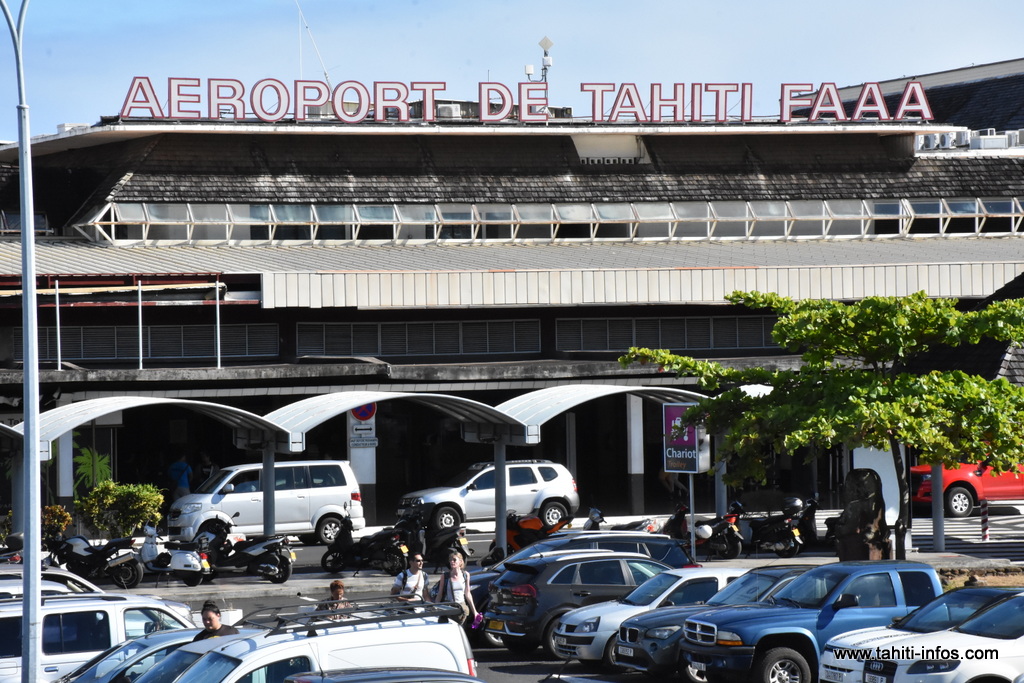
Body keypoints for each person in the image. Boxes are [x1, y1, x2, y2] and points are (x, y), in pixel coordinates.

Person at [431, 551, 476, 625]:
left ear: (460, 561)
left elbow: (467, 594)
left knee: (460, 631)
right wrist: (436, 606)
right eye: (450, 560)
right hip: (448, 608)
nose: (452, 562)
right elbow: (440, 594)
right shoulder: (445, 576)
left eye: (454, 560)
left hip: (461, 608)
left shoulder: (466, 575)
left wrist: (475, 612)